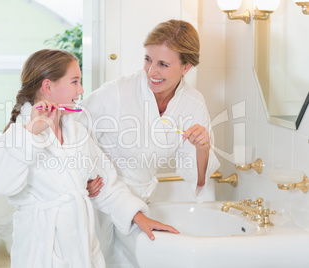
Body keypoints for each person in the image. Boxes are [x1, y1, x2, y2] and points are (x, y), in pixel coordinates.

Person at [0, 49, 178, 268]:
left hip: (82, 247)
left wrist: (140, 218)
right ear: (47, 86)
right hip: (42, 250)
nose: (81, 90)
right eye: (75, 82)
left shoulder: (77, 133)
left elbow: (107, 185)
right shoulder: (19, 134)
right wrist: (31, 135)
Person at [75, 19, 220, 266]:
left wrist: (202, 148)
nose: (152, 71)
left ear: (186, 66)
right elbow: (72, 138)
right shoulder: (116, 94)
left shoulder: (193, 104)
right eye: (147, 59)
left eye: (163, 64)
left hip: (141, 205)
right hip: (100, 201)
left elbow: (197, 179)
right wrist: (81, 181)